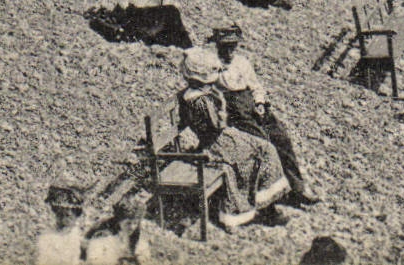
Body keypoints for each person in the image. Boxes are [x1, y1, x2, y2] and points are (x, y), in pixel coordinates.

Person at [175, 47, 288, 229]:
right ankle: (256, 208)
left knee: (262, 147)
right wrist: (220, 104)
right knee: (259, 152)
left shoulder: (191, 95)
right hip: (216, 142)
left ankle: (263, 203)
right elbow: (217, 124)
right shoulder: (200, 101)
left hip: (218, 138)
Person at [211, 24, 318, 205]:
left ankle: (297, 188)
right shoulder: (212, 66)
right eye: (225, 47)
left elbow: (255, 86)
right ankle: (276, 192)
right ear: (218, 46)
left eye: (233, 46)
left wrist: (260, 103)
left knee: (281, 137)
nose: (229, 51)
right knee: (265, 144)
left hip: (252, 106)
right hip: (234, 114)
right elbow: (213, 94)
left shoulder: (242, 63)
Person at [82, 191, 152, 265]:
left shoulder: (138, 237)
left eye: (135, 223)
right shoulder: (104, 235)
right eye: (128, 223)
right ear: (119, 221)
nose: (132, 227)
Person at [37, 185, 87, 265]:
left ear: (76, 215)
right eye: (60, 214)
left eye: (68, 215)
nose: (64, 219)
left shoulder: (80, 240)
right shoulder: (46, 238)